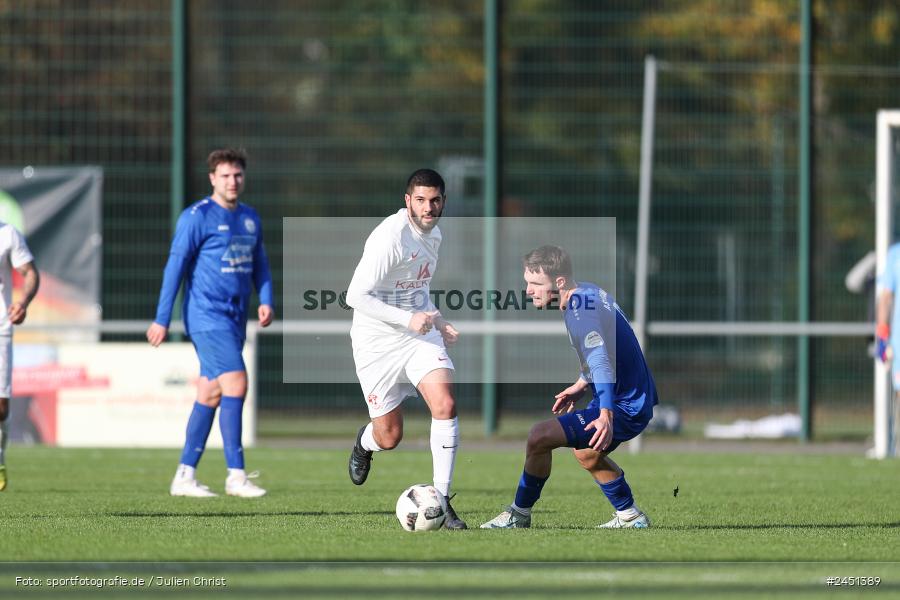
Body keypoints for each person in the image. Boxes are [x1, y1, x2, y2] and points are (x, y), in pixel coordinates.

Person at [481, 245, 657, 529]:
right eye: (527, 282)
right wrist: (581, 383)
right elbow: (607, 350)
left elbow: (600, 360)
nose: (528, 291)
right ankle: (631, 517)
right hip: (632, 396)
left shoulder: (578, 311)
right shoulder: (587, 292)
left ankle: (518, 515)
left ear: (559, 281)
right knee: (587, 452)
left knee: (539, 436)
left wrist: (606, 414)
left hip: (624, 403)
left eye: (536, 284)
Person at [147, 148, 274, 498]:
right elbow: (174, 268)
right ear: (212, 179)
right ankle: (236, 475)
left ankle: (184, 476)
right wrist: (161, 318)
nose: (232, 181)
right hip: (206, 315)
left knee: (211, 391)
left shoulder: (249, 217)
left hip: (235, 317)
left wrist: (266, 299)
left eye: (237, 175)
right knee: (236, 383)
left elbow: (260, 263)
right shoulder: (196, 217)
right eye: (225, 175)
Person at [345, 168, 467, 529]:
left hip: (417, 337)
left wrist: (437, 319)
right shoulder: (390, 238)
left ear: (443, 201)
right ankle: (364, 443)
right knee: (389, 436)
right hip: (376, 343)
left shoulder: (434, 235)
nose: (428, 208)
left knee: (445, 404)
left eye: (435, 200)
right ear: (407, 201)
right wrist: (407, 319)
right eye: (421, 200)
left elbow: (417, 289)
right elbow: (355, 296)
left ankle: (442, 500)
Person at [0, 223, 39, 492]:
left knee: (1, 407)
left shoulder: (7, 234)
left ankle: (0, 456)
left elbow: (30, 273)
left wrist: (23, 302)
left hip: (1, 328)